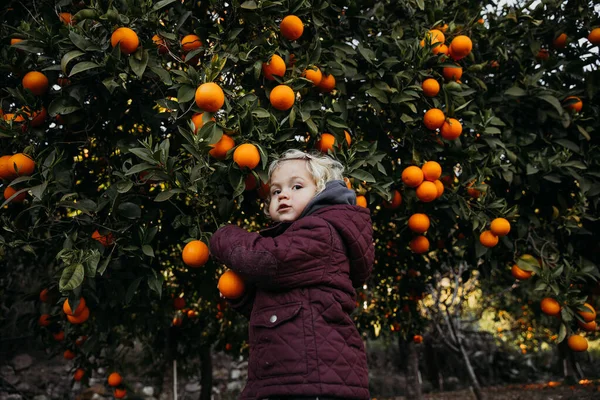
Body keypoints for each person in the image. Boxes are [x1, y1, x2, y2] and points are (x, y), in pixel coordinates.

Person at [210, 149, 374, 400]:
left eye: (296, 186)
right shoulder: (295, 242)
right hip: (294, 378)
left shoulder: (321, 232)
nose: (284, 194)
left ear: (321, 192)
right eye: (276, 191)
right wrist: (241, 297)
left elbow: (264, 259)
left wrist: (223, 236)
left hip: (314, 380)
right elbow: (279, 307)